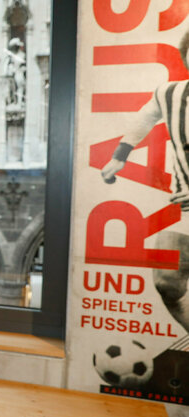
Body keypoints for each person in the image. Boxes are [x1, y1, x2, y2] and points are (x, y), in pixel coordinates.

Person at [101, 30, 189, 333]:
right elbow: (143, 118)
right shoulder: (170, 93)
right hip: (186, 206)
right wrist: (119, 156)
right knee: (166, 282)